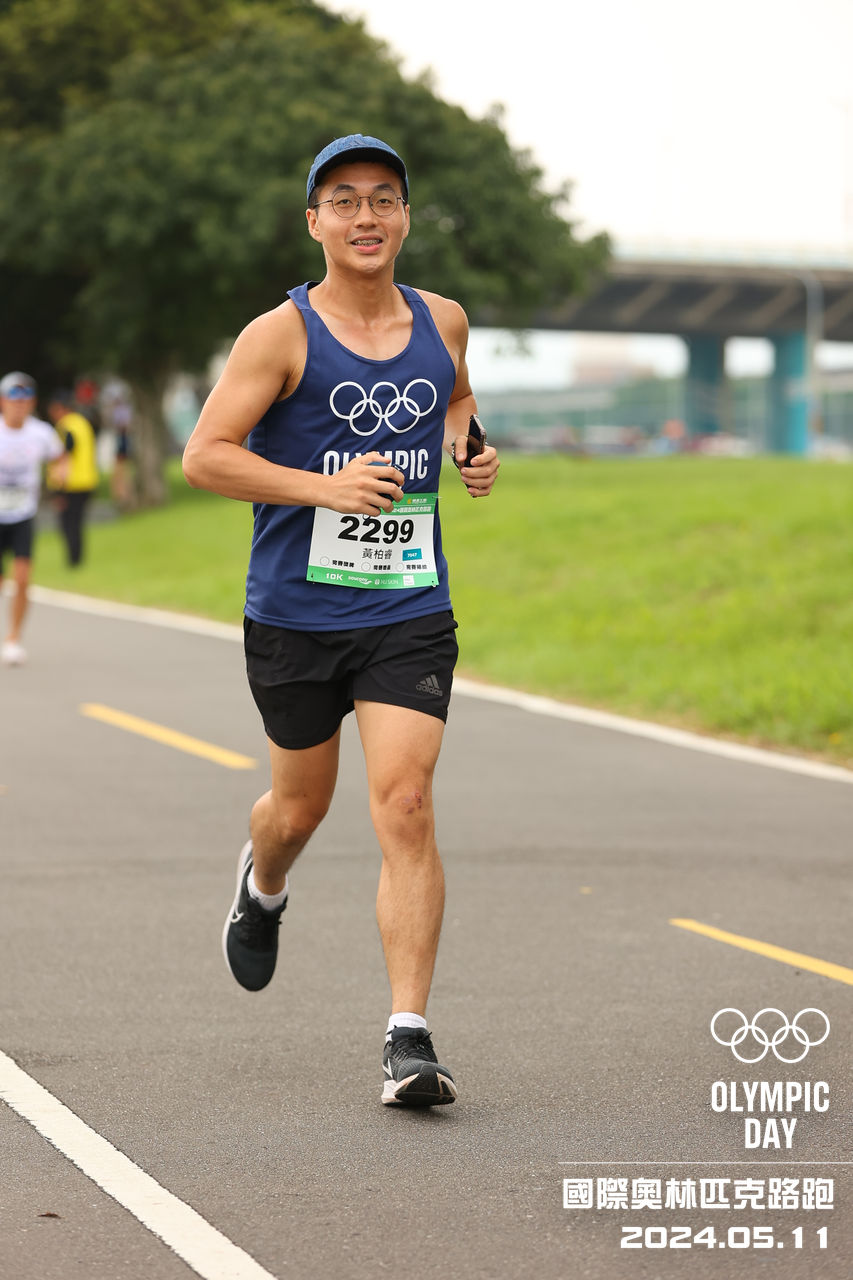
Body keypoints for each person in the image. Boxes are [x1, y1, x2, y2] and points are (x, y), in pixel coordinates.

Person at [183, 134, 500, 1108]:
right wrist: (321, 486)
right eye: (345, 200)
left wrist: (470, 449)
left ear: (405, 216)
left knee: (405, 801)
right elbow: (206, 455)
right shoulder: (277, 335)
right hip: (295, 613)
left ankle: (409, 1037)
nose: (367, 216)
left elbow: (454, 397)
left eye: (384, 198)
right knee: (299, 810)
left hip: (408, 603)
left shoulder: (441, 319)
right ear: (314, 221)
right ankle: (263, 882)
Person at [0, 371, 67, 666]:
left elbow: (60, 457)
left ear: (32, 403)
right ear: (3, 402)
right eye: (13, 399)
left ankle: (13, 639)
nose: (19, 405)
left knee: (23, 579)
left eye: (25, 399)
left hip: (23, 516)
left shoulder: (41, 433)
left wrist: (60, 475)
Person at [46, 389, 99, 566]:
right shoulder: (82, 423)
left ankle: (73, 560)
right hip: (87, 481)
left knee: (68, 524)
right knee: (77, 522)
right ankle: (77, 558)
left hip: (70, 484)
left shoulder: (65, 426)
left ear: (61, 408)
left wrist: (58, 485)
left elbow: (65, 455)